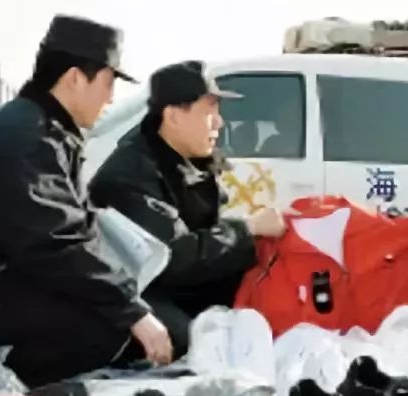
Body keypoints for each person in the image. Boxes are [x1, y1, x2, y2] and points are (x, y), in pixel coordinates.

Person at [0, 15, 173, 388]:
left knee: (111, 312)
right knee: (101, 325)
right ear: (75, 78)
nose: (110, 98)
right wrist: (131, 309)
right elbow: (51, 243)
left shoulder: (47, 131)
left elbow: (71, 233)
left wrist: (128, 295)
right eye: (108, 83)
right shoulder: (24, 137)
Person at [89, 60, 294, 354]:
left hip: (180, 286)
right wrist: (247, 229)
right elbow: (170, 259)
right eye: (209, 111)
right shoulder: (131, 174)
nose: (219, 122)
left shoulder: (190, 162)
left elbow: (208, 237)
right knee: (202, 344)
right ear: (173, 116)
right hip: (135, 295)